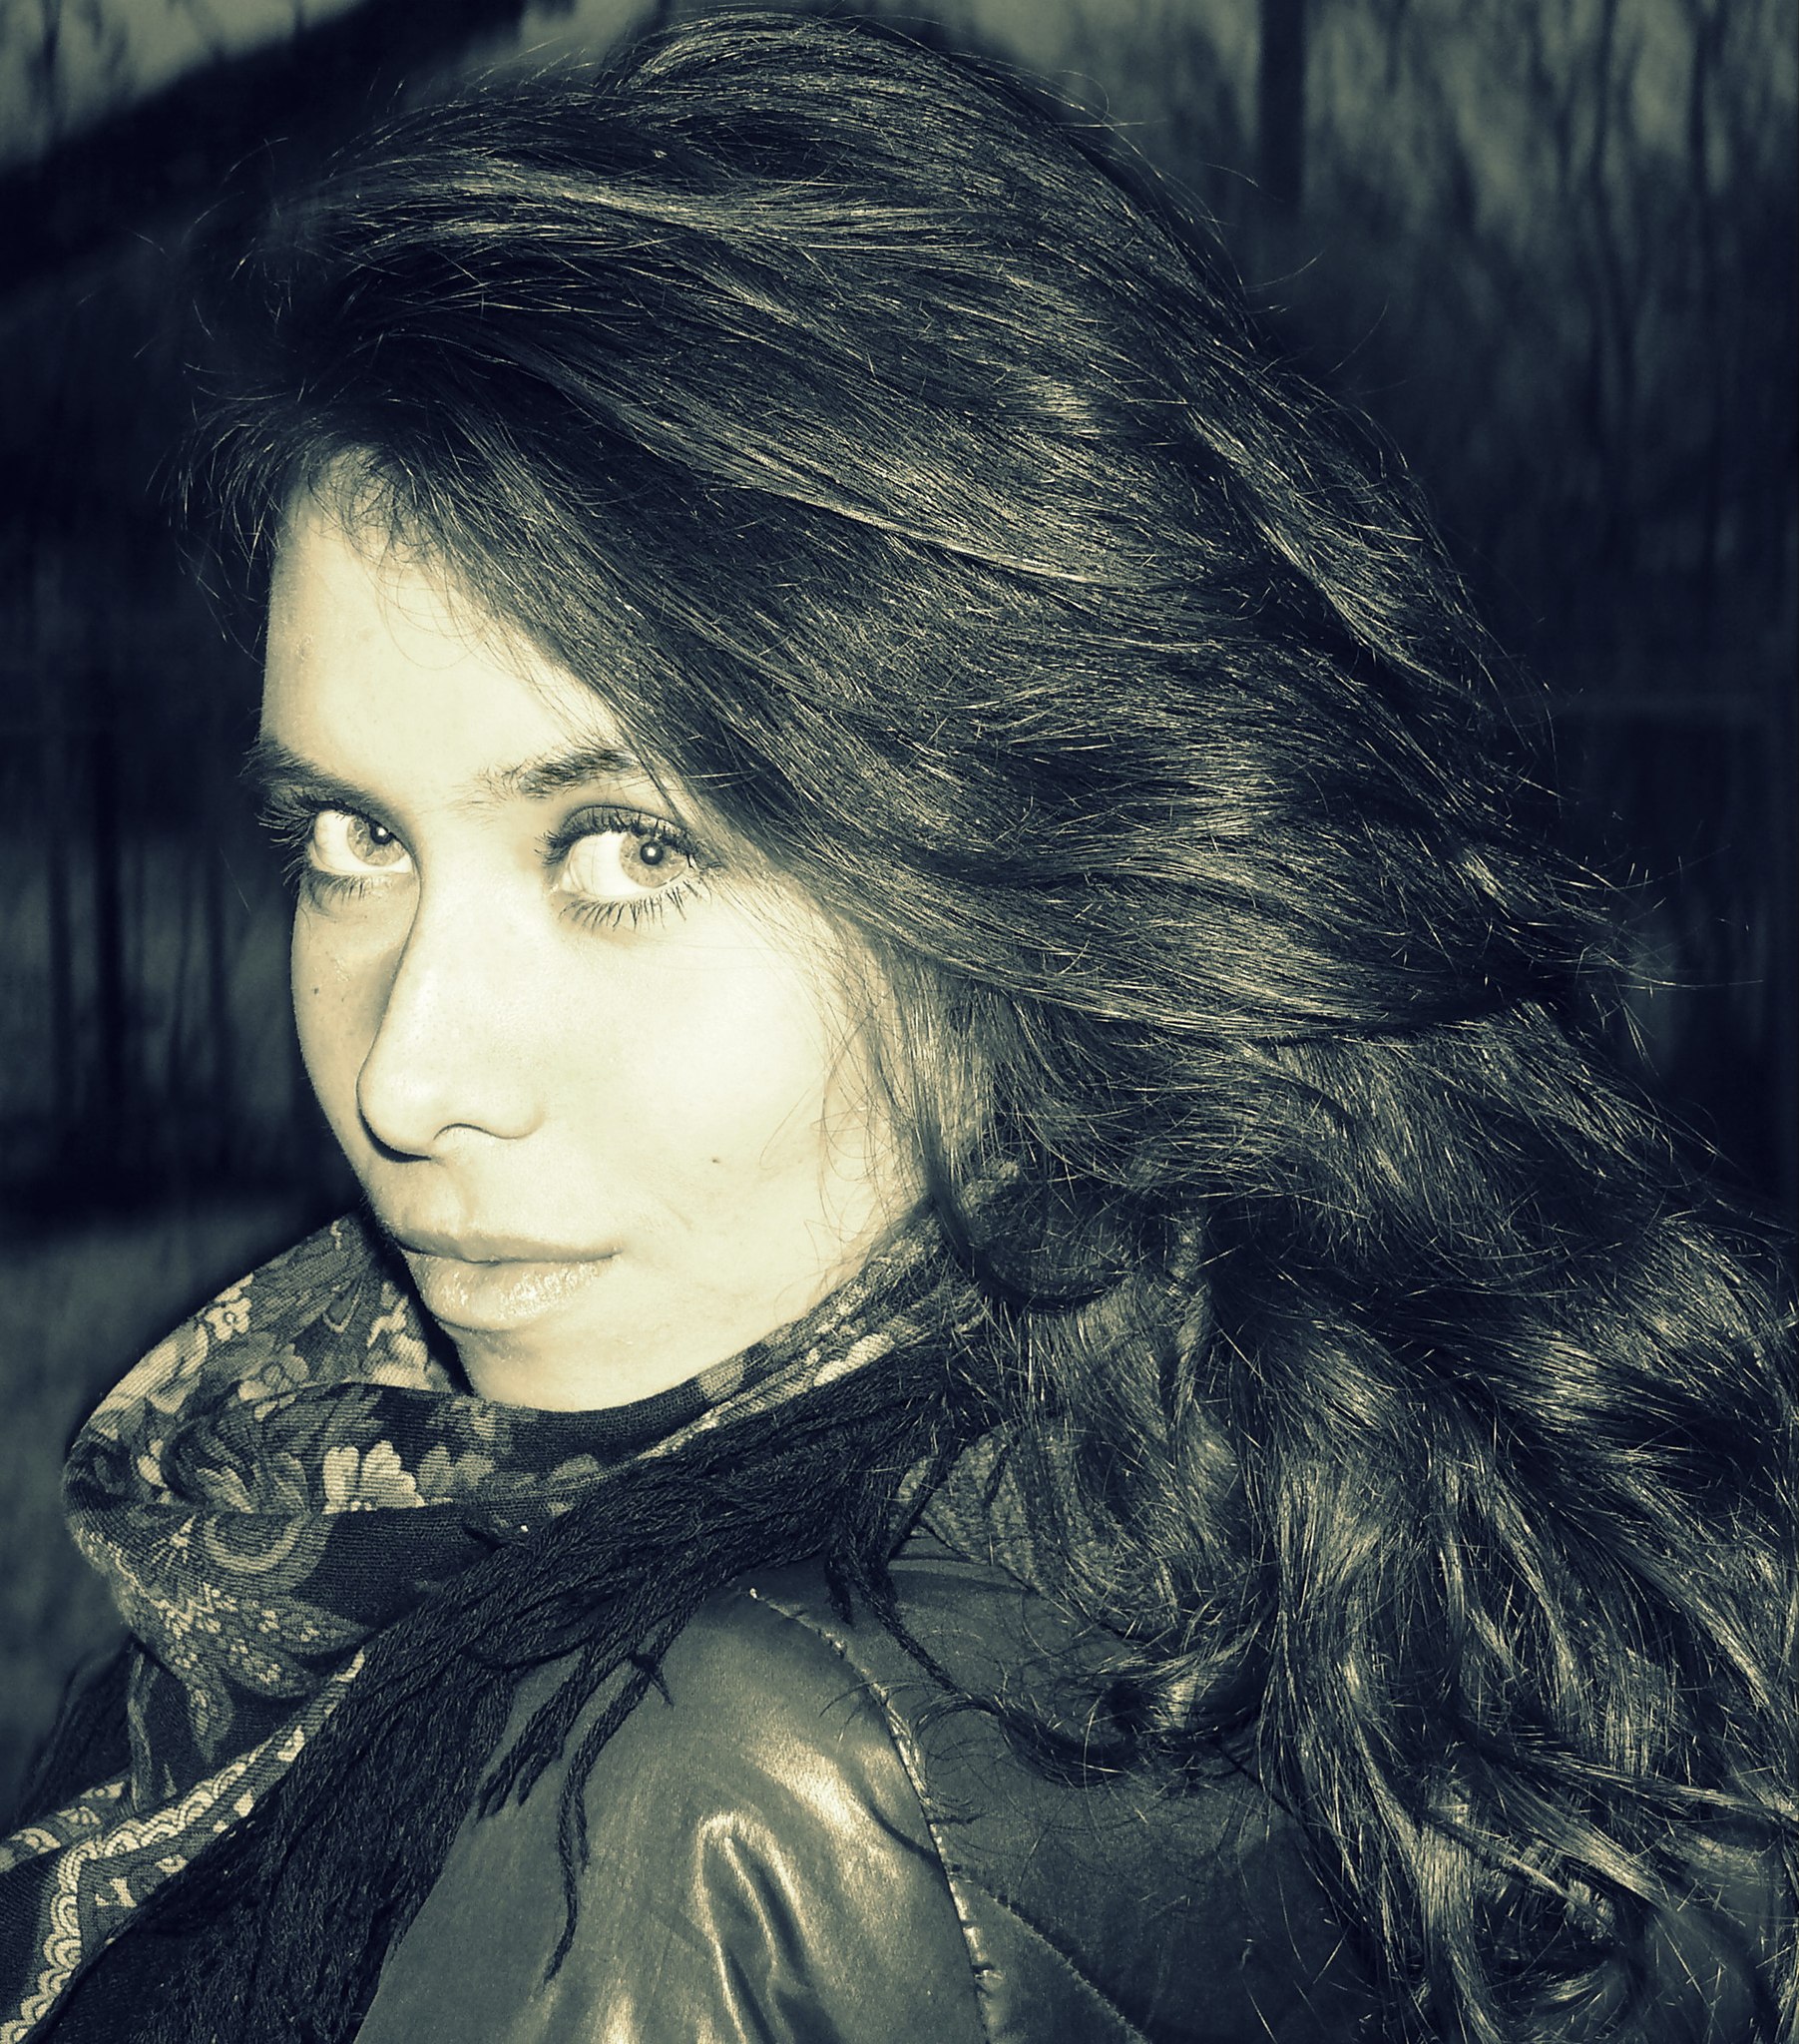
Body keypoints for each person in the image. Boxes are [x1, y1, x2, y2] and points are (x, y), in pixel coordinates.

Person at [1, 12, 1792, 2041]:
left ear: (1038, 854)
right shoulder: (1390, 1458)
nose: (409, 1078)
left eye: (625, 850)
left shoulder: (727, 1811)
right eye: (350, 838)